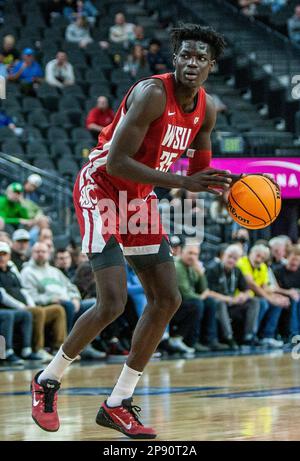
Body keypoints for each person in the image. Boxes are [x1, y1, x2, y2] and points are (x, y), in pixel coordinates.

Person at [31, 23, 237, 438]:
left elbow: (199, 172)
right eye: (186, 55)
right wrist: (182, 183)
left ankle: (118, 402)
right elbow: (115, 164)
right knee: (112, 301)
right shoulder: (152, 94)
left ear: (211, 66)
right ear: (175, 59)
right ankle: (47, 380)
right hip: (101, 188)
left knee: (167, 297)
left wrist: (222, 192)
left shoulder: (206, 109)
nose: (192, 62)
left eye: (201, 57)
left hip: (140, 196)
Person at [0, 241, 66, 362]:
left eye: (4, 254)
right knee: (35, 312)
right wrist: (22, 306)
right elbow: (3, 296)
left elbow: (24, 290)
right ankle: (36, 349)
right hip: (9, 308)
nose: (1, 257)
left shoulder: (12, 272)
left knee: (58, 310)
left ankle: (60, 349)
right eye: (0, 254)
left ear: (9, 256)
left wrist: (30, 304)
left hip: (25, 306)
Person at [174, 242, 229, 352]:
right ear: (181, 252)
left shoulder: (191, 267)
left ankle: (210, 340)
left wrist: (200, 273)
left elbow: (204, 289)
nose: (193, 257)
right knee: (197, 303)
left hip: (186, 303)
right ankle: (190, 341)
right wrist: (202, 296)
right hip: (175, 306)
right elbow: (185, 294)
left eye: (195, 254)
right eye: (190, 253)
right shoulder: (178, 266)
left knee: (210, 302)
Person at [206, 244, 260, 347]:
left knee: (254, 301)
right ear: (223, 256)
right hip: (218, 304)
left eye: (235, 258)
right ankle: (229, 337)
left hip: (232, 304)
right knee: (220, 303)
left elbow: (248, 291)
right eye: (229, 256)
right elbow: (208, 292)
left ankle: (249, 336)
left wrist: (243, 296)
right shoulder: (213, 269)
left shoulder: (237, 270)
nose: (231, 260)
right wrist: (229, 299)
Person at [237, 244, 289, 348]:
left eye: (263, 258)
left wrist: (276, 297)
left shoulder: (263, 266)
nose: (259, 259)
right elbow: (252, 285)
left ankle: (267, 336)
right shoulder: (242, 262)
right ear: (251, 253)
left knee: (278, 303)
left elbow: (265, 287)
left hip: (256, 296)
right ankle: (252, 335)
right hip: (242, 297)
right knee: (263, 303)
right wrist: (270, 298)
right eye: (258, 255)